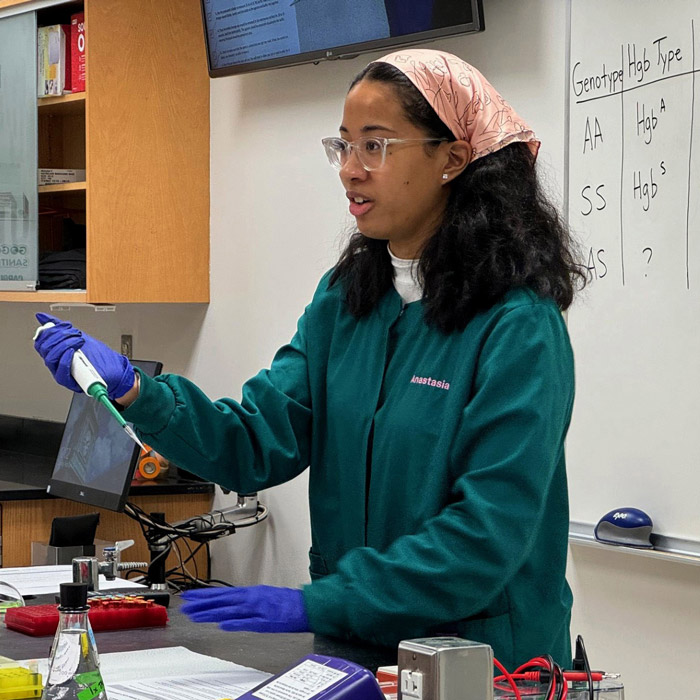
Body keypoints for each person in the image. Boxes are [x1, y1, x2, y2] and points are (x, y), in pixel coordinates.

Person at [34, 49, 585, 670]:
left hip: (487, 664)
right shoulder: (346, 299)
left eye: (375, 146)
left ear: (453, 158)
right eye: (342, 146)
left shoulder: (517, 326)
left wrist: (320, 603)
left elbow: (486, 537)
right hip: (356, 652)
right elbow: (253, 443)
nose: (350, 171)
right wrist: (136, 391)